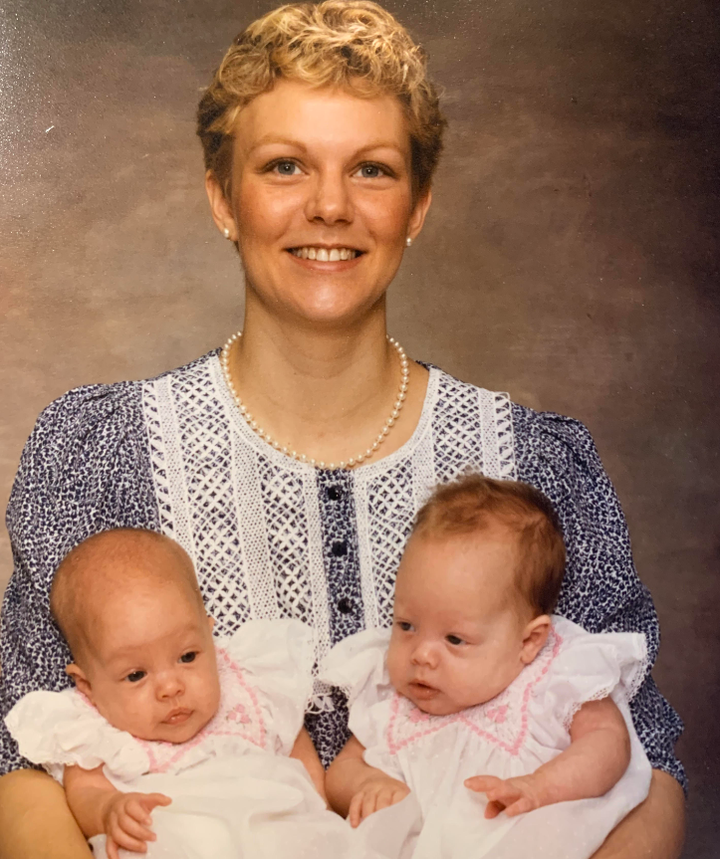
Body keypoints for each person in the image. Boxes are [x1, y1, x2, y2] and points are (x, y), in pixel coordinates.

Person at [0, 3, 685, 857]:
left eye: (371, 170)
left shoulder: (541, 465)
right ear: (222, 196)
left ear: (419, 204)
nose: (330, 206)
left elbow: (649, 772)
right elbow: (23, 771)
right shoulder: (96, 452)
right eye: (285, 166)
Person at [324, 474, 652, 858]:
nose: (421, 655)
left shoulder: (552, 674)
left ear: (528, 642)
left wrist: (539, 786)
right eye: (406, 626)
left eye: (454, 639)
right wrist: (366, 783)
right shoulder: (392, 698)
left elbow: (609, 744)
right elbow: (342, 768)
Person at [5, 529, 347, 859]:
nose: (171, 688)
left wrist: (322, 807)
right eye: (136, 675)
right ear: (88, 687)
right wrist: (109, 809)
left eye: (188, 656)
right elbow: (85, 793)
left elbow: (296, 749)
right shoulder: (92, 729)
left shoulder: (251, 685)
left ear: (209, 638)